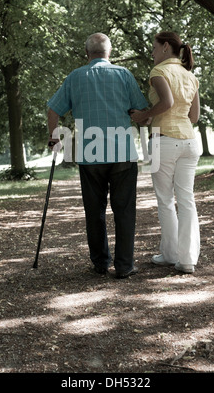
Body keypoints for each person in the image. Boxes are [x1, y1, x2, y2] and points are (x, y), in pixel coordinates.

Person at [47, 33, 148, 278]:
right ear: (109, 52)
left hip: (90, 156)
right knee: (124, 211)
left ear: (87, 53)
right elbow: (142, 111)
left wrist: (55, 137)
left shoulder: (75, 77)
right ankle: (124, 266)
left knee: (95, 212)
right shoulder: (123, 74)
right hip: (122, 153)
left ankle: (101, 263)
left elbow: (53, 108)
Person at [131, 31, 200, 274]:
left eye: (153, 47)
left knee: (165, 201)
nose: (151, 52)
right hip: (190, 141)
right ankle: (188, 259)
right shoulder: (190, 76)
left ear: (165, 47)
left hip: (163, 142)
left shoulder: (158, 72)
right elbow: (194, 116)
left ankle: (170, 255)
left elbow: (167, 103)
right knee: (186, 200)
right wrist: (156, 115)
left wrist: (143, 115)